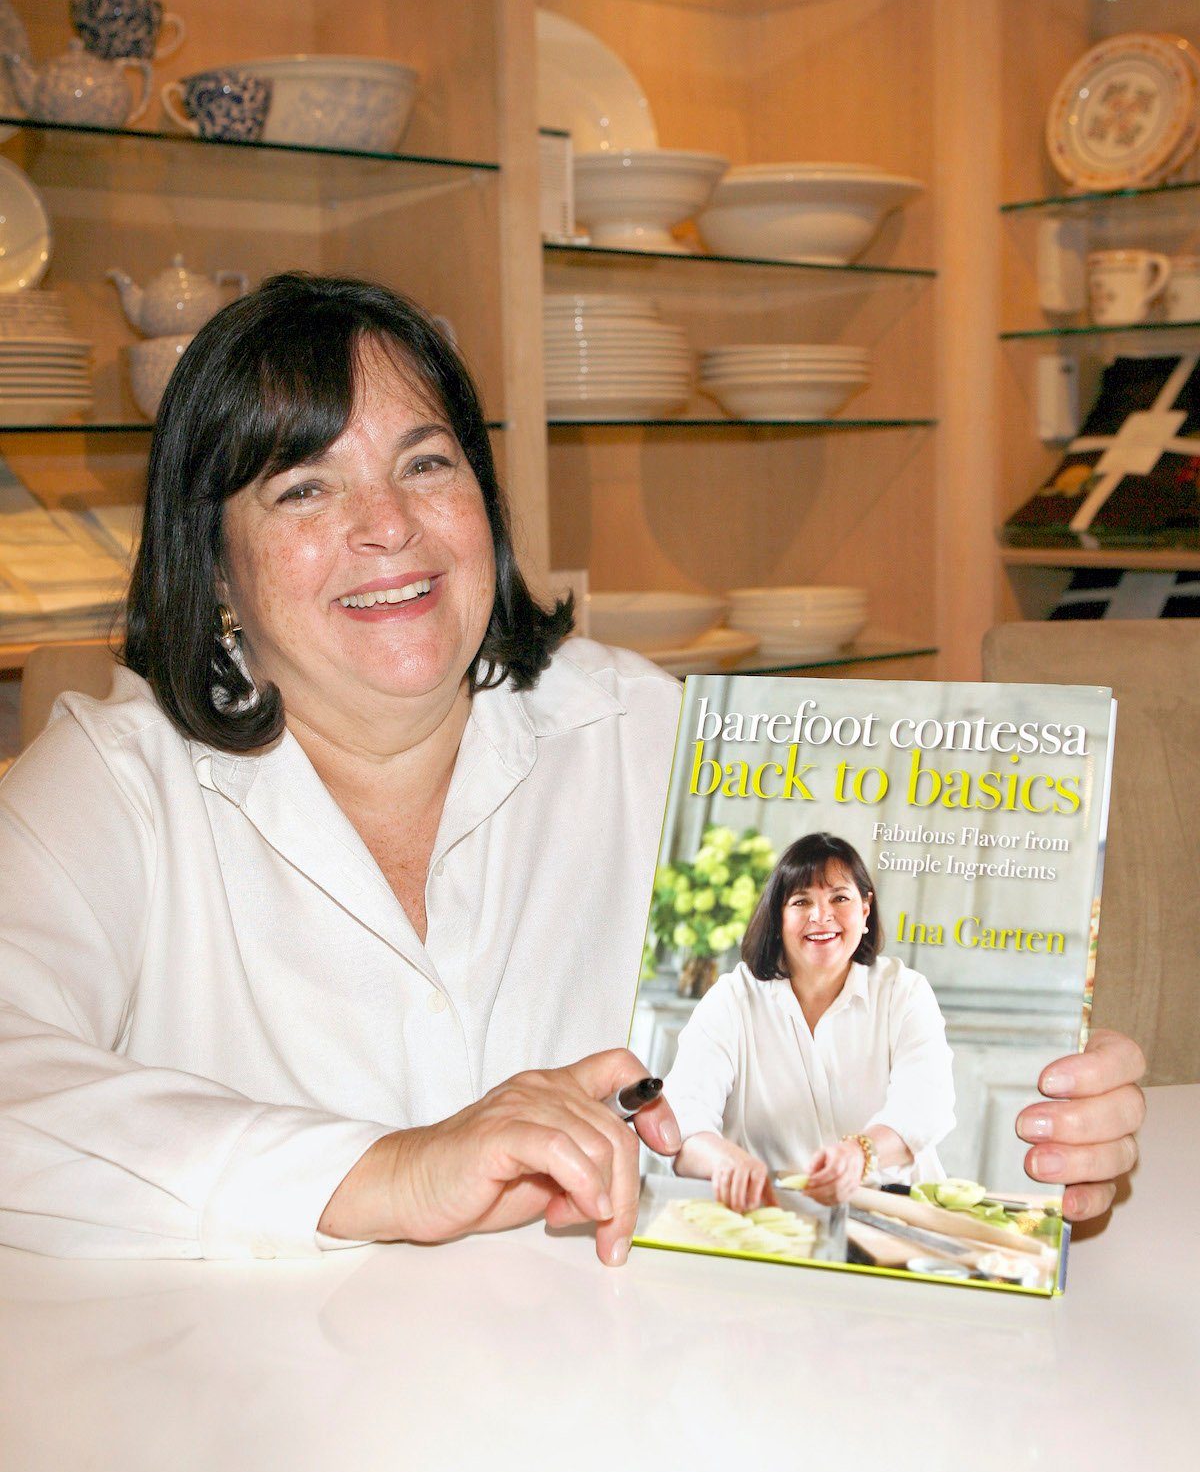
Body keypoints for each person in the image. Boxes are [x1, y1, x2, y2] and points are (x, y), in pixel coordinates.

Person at [0, 275, 1144, 1267]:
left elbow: (892, 1030)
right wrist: (389, 1171)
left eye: (426, 462)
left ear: (484, 510)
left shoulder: (646, 729)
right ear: (214, 565)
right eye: (304, 486)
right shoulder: (114, 779)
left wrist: (1040, 1127)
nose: (389, 524)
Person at [667, 833, 955, 1212]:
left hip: (897, 1213)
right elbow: (681, 1121)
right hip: (777, 1216)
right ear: (778, 918)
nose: (822, 916)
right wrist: (726, 1161)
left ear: (865, 911)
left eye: (840, 898)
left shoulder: (905, 992)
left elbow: (925, 1106)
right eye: (802, 901)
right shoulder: (731, 1000)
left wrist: (860, 1153)